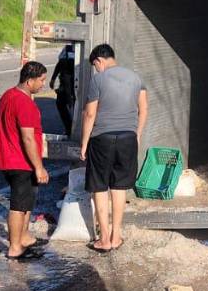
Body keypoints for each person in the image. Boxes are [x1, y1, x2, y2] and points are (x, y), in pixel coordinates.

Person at [81, 44, 148, 253]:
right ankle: (116, 236)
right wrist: (136, 134)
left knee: (100, 186)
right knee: (119, 187)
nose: (96, 69)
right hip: (128, 138)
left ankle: (104, 240)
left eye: (95, 65)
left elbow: (90, 114)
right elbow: (143, 109)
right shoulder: (136, 78)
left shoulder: (98, 79)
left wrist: (84, 144)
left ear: (99, 61)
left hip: (102, 138)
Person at [0, 61, 50, 260]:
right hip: (20, 161)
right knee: (19, 206)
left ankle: (25, 237)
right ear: (29, 81)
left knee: (27, 201)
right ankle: (15, 248)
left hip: (9, 158)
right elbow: (28, 137)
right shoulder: (25, 103)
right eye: (41, 80)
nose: (43, 84)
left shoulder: (8, 95)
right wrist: (39, 167)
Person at [49, 44, 76, 137]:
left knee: (71, 107)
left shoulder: (72, 49)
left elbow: (60, 64)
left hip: (73, 86)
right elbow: (60, 64)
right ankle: (69, 128)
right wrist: (53, 78)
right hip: (66, 86)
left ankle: (72, 129)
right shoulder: (68, 49)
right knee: (62, 105)